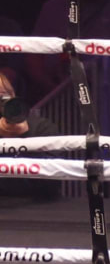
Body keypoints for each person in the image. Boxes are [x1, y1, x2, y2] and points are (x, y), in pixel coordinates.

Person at [0, 72, 61, 200]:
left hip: (38, 203)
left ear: (12, 96)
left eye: (2, 97)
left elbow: (52, 180)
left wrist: (26, 138)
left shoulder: (42, 128)